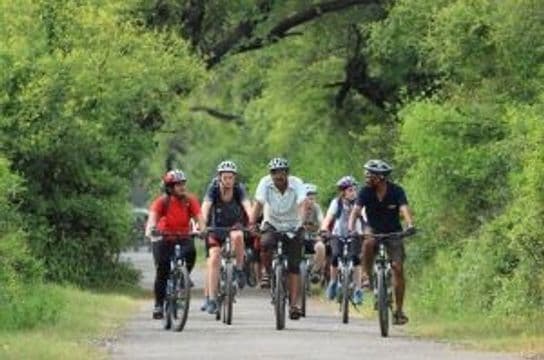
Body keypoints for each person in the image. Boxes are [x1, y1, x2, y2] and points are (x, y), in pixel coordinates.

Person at [348, 159, 416, 325]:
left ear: (380, 177)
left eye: (370, 174)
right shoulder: (365, 191)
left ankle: (399, 311)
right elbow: (356, 211)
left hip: (393, 232)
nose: (366, 176)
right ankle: (366, 275)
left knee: (398, 268)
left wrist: (410, 224)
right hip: (374, 230)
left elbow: (403, 208)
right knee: (368, 242)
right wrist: (351, 228)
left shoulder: (396, 191)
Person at [250, 157, 307, 320]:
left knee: (294, 266)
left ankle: (294, 305)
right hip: (272, 223)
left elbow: (303, 204)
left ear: (287, 174)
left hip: (293, 225)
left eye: (281, 174)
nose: (278, 177)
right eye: (274, 174)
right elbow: (259, 204)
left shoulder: (297, 183)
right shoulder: (265, 183)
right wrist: (252, 223)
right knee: (265, 243)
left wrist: (301, 224)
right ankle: (268, 272)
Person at [145, 169, 205, 319]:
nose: (182, 187)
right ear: (170, 187)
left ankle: (184, 277)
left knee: (191, 251)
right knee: (162, 270)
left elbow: (199, 217)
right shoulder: (162, 202)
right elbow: (152, 218)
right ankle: (158, 305)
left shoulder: (189, 200)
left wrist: (202, 230)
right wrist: (152, 230)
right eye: (178, 185)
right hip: (164, 238)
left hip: (183, 235)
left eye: (183, 184)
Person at [200, 160, 253, 314]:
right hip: (215, 228)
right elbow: (205, 207)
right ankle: (211, 299)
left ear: (234, 178)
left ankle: (239, 269)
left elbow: (247, 206)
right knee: (214, 257)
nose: (228, 180)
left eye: (231, 177)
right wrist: (201, 224)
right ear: (219, 177)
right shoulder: (213, 189)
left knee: (238, 236)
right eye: (225, 177)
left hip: (234, 226)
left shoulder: (239, 189)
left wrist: (252, 222)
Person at [320, 175, 364, 304]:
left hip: (355, 234)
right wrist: (323, 229)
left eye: (355, 190)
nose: (353, 193)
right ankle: (333, 283)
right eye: (350, 190)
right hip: (338, 234)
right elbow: (328, 218)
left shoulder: (360, 203)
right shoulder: (337, 202)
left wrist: (367, 232)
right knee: (335, 256)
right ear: (343, 192)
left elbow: (366, 218)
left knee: (356, 258)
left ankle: (358, 289)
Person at [301, 183, 326, 283]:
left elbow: (322, 220)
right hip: (299, 238)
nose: (311, 201)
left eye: (313, 198)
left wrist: (322, 230)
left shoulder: (317, 208)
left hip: (313, 237)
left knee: (321, 247)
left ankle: (315, 271)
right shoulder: (297, 207)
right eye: (309, 198)